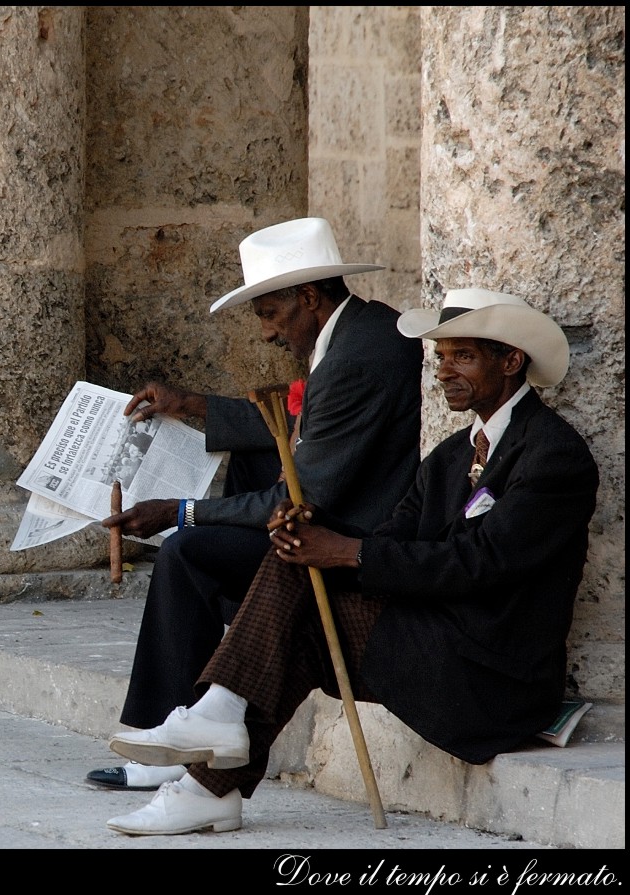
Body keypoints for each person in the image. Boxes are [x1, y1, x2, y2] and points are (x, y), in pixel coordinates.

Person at [104, 288, 600, 835]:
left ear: (511, 361)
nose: (443, 372)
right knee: (298, 569)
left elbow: (477, 563)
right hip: (435, 639)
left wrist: (347, 550)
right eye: (440, 358)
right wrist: (316, 541)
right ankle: (210, 786)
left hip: (489, 676)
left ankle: (216, 725)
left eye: (463, 357)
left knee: (307, 578)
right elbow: (395, 534)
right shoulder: (452, 455)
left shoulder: (553, 454)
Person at [86, 217, 424, 790]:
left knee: (186, 554)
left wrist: (180, 513)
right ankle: (200, 709)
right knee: (244, 466)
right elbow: (301, 426)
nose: (267, 334)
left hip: (351, 535)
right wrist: (192, 404)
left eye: (270, 314)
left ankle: (173, 738)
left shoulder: (354, 359)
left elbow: (304, 492)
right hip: (341, 503)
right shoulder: (361, 329)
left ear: (309, 298)